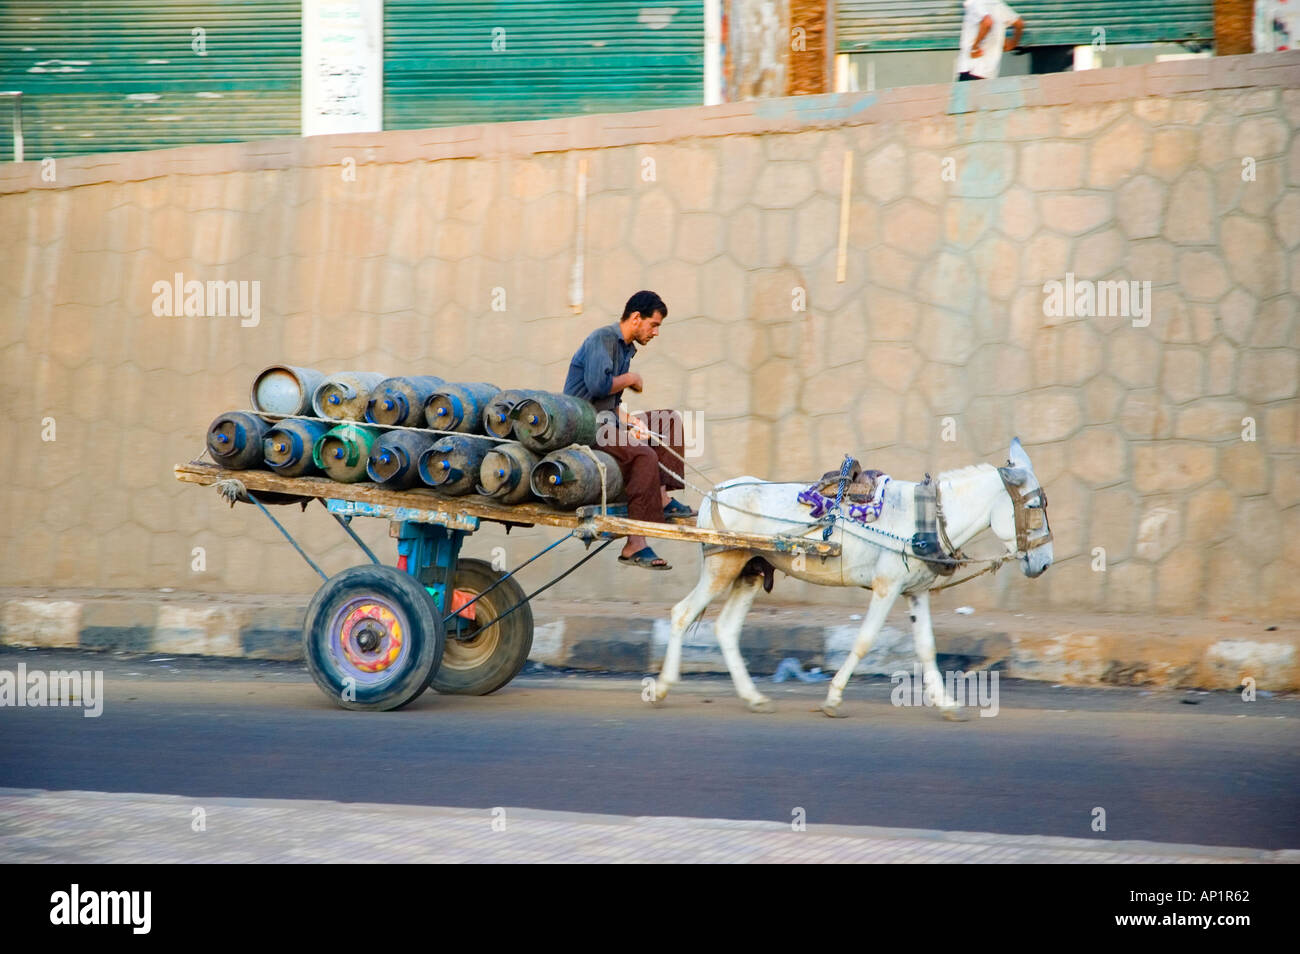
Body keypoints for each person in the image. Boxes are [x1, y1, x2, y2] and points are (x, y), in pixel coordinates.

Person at [563, 290, 690, 571]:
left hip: (605, 419)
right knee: (644, 456)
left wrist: (632, 421)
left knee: (667, 421)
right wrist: (632, 378)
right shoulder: (603, 339)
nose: (656, 332)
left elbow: (609, 401)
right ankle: (635, 544)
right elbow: (598, 387)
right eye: (654, 325)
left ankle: (663, 497)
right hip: (584, 427)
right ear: (636, 318)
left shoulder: (623, 348)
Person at [956, 0, 1024, 81]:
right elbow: (1019, 23)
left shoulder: (975, 3)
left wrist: (975, 47)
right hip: (989, 71)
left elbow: (987, 22)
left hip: (971, 67)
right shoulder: (998, 4)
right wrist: (1013, 43)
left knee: (964, 93)